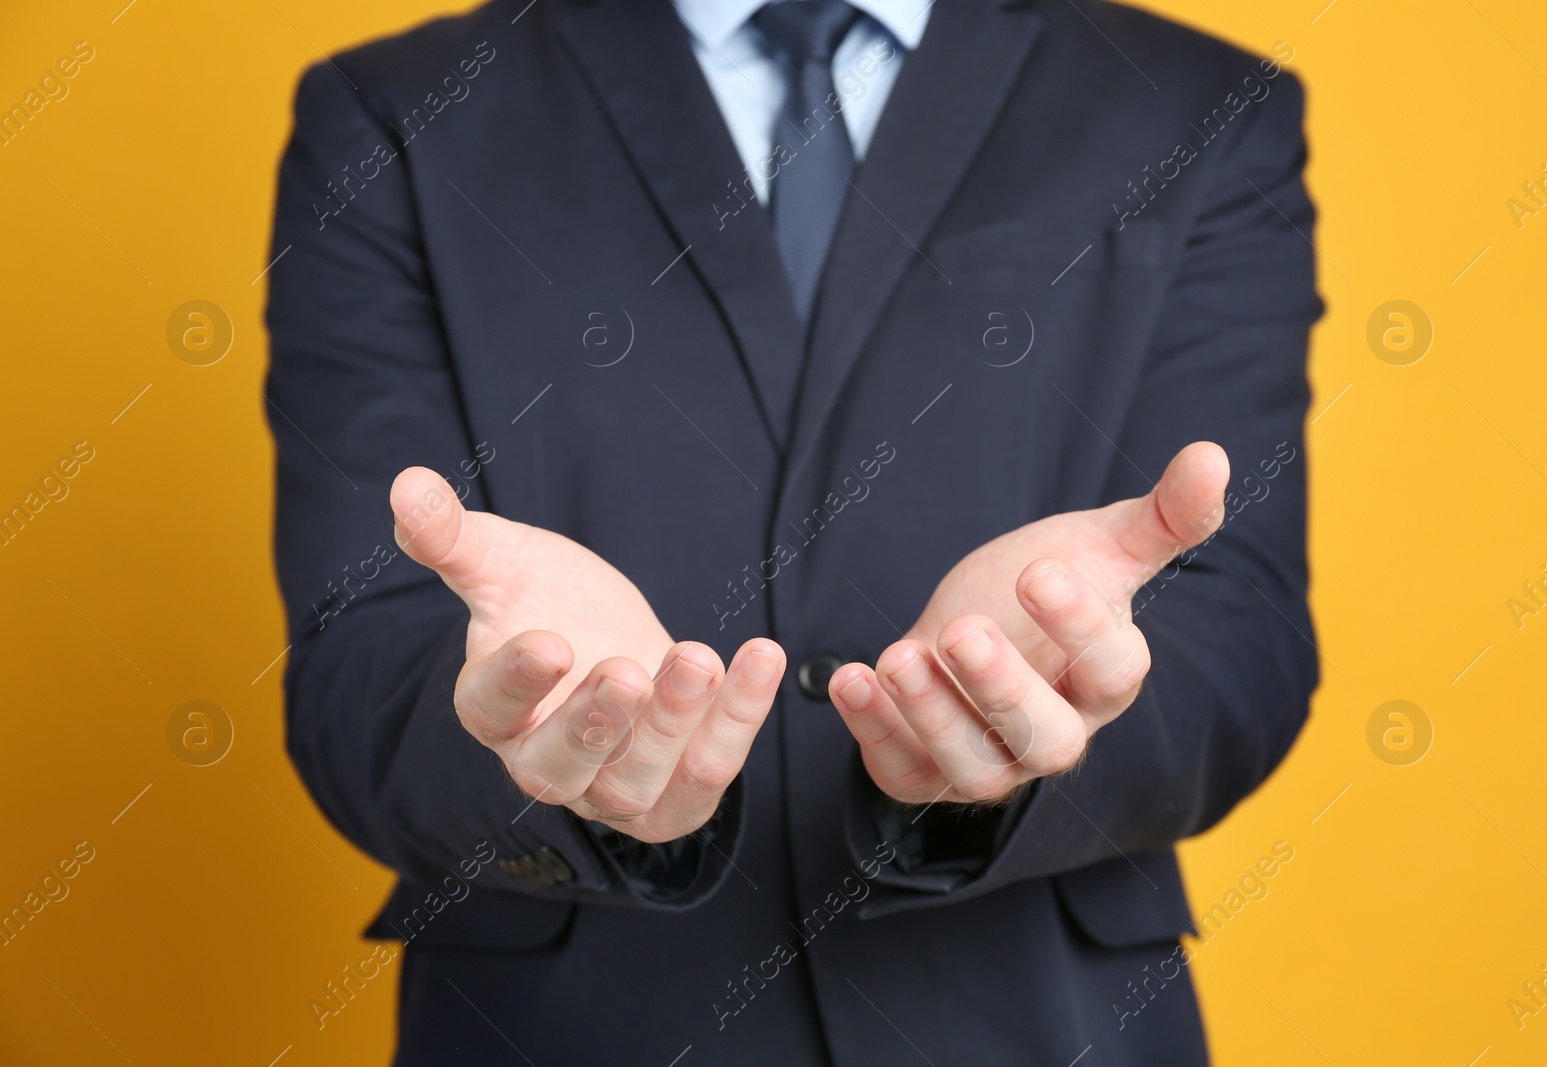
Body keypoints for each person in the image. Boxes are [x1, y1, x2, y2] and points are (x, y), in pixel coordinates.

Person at [264, 0, 1321, 1061]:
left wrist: (1047, 707)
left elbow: (1240, 629)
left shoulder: (1200, 105)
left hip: (1037, 1021)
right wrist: (551, 742)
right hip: (573, 1025)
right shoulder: (395, 113)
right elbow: (359, 665)